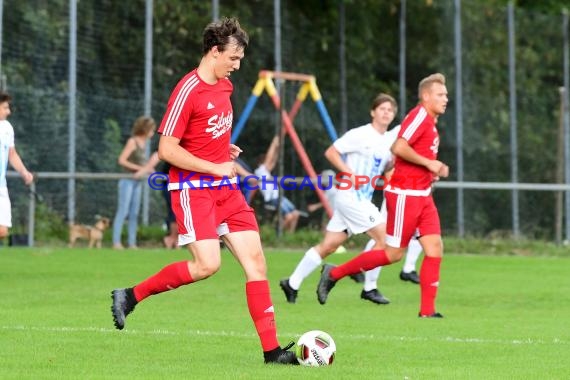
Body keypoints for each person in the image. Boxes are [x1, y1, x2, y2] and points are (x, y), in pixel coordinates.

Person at [110, 17, 298, 365]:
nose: (237, 65)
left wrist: (223, 149)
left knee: (257, 263)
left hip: (225, 190)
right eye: (234, 58)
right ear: (214, 52)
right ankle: (131, 296)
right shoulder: (187, 90)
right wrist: (213, 165)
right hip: (193, 190)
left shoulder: (225, 87)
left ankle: (272, 353)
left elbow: (207, 134)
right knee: (206, 266)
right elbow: (167, 150)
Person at [316, 73, 449, 318]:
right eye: (441, 94)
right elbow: (398, 147)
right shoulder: (419, 115)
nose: (446, 99)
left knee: (434, 247)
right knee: (393, 254)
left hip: (423, 194)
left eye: (446, 94)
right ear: (426, 96)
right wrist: (429, 164)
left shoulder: (430, 121)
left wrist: (431, 171)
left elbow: (408, 157)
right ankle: (334, 274)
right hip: (405, 195)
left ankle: (427, 312)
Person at [279, 93, 399, 305]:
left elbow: (386, 167)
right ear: (373, 112)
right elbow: (331, 152)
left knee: (329, 246)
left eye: (390, 110)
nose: (386, 113)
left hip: (359, 199)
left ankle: (292, 283)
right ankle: (363, 281)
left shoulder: (388, 141)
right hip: (352, 198)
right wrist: (349, 173)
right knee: (386, 240)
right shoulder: (361, 134)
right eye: (382, 109)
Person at [112, 116, 159, 249]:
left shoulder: (145, 144)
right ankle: (116, 242)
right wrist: (143, 169)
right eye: (151, 130)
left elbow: (145, 165)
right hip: (127, 180)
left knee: (134, 213)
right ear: (145, 129)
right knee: (123, 211)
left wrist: (149, 169)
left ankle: (132, 243)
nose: (152, 133)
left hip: (138, 181)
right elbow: (122, 160)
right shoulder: (133, 142)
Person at [0, 92, 34, 241]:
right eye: (5, 107)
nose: (9, 111)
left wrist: (24, 172)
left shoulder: (7, 128)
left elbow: (12, 154)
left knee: (2, 231)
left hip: (1, 186)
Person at [254, 135, 300, 232]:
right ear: (261, 163)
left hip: (278, 197)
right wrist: (274, 143)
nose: (269, 163)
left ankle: (290, 235)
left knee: (295, 213)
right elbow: (270, 158)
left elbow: (273, 160)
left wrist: (278, 148)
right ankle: (279, 235)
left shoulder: (266, 172)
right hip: (272, 199)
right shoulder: (259, 171)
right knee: (289, 216)